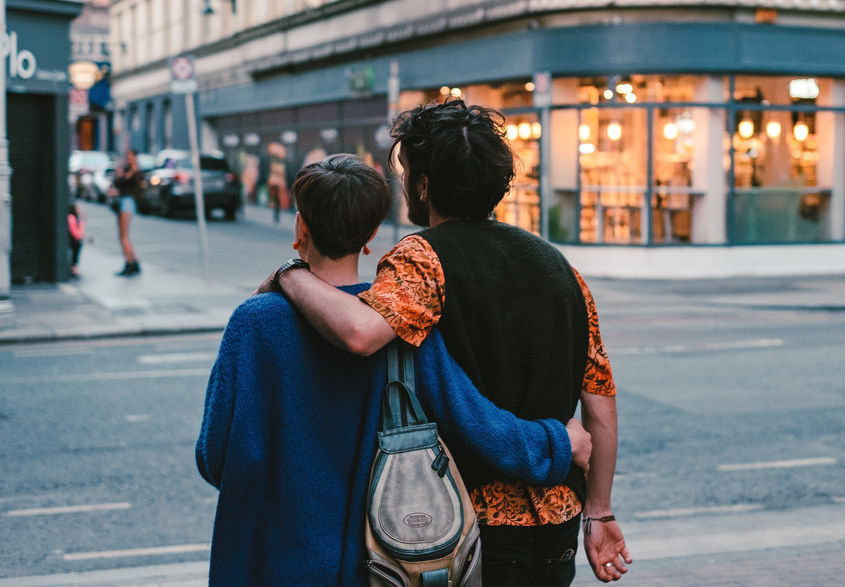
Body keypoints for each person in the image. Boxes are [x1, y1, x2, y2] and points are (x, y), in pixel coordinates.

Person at [263, 100, 632, 585]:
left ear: (423, 184)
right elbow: (600, 409)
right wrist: (600, 513)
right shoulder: (559, 267)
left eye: (407, 171)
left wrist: (289, 275)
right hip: (558, 527)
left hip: (460, 526)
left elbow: (358, 333)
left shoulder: (423, 257)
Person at [199, 154, 592, 587]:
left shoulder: (253, 323)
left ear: (300, 226)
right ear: (370, 237)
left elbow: (214, 457)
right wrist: (559, 442)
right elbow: (476, 424)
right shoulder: (397, 324)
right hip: (373, 566)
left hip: (266, 562)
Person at [110, 149, 142, 276]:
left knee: (123, 235)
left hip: (127, 202)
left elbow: (133, 190)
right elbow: (117, 184)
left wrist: (120, 180)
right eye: (127, 156)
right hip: (123, 202)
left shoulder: (135, 171)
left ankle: (129, 262)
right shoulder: (126, 169)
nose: (128, 158)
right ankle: (133, 260)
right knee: (122, 234)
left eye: (130, 156)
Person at [67, 203, 86, 278]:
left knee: (78, 243)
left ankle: (73, 267)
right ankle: (74, 267)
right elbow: (77, 235)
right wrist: (83, 222)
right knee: (78, 244)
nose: (80, 210)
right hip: (71, 241)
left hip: (70, 240)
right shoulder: (71, 218)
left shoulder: (72, 217)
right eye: (78, 208)